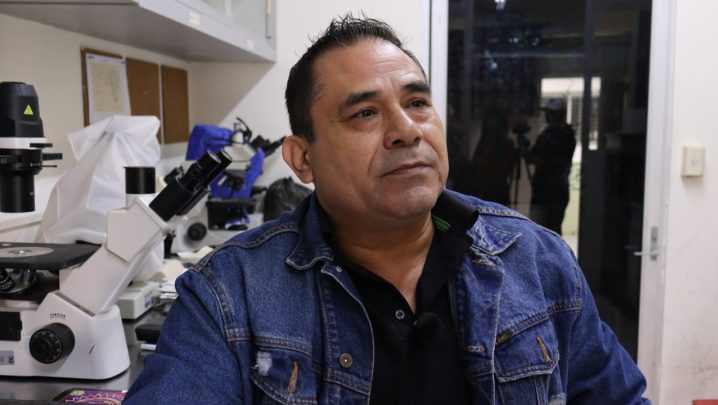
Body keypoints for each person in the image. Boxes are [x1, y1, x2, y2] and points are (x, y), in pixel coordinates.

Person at [124, 15, 649, 404]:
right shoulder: (229, 294)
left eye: (417, 103)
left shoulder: (536, 260)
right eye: (365, 113)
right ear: (302, 158)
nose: (406, 130)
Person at [524, 98, 577, 234]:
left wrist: (528, 155)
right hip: (543, 190)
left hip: (554, 192)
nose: (549, 116)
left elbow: (546, 163)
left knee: (550, 232)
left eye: (552, 113)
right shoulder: (547, 134)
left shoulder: (564, 135)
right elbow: (532, 157)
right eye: (548, 113)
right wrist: (525, 150)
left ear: (561, 114)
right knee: (538, 230)